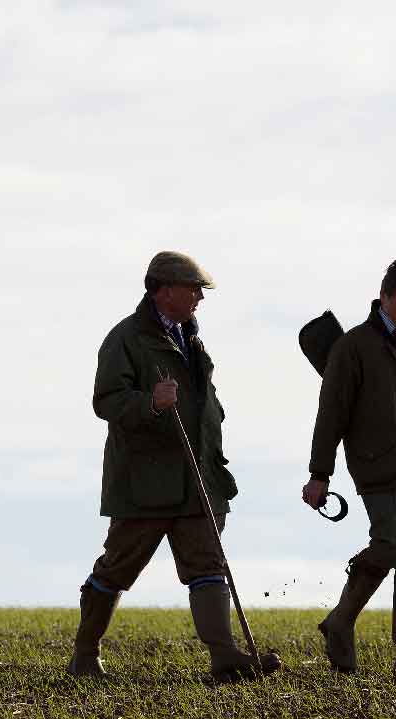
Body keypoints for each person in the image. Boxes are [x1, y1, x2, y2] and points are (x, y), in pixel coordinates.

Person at [67, 251, 282, 683]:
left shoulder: (191, 339)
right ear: (164, 291)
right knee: (117, 569)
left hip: (195, 479)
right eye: (192, 289)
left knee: (206, 566)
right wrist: (149, 401)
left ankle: (224, 657)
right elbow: (106, 401)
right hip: (144, 484)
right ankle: (84, 657)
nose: (200, 297)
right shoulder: (124, 338)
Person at [302, 256, 396, 678]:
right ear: (384, 296)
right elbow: (330, 415)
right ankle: (340, 621)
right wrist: (319, 475)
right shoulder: (353, 347)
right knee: (392, 545)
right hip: (375, 465)